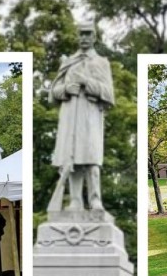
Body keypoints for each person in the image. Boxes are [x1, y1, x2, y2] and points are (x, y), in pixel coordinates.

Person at [48, 21, 116, 213]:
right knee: (72, 160)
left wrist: (87, 82)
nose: (85, 38)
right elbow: (53, 93)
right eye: (82, 34)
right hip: (70, 118)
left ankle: (95, 201)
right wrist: (65, 89)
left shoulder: (101, 63)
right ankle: (75, 201)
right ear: (77, 37)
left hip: (91, 117)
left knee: (91, 159)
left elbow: (109, 95)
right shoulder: (68, 62)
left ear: (94, 36)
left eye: (88, 34)